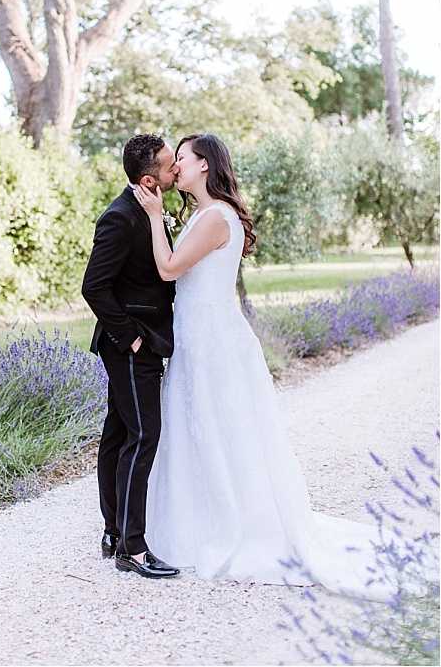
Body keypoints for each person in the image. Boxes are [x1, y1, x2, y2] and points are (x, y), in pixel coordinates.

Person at [132, 132, 424, 602]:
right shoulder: (204, 215)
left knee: (220, 427)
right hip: (198, 338)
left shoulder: (215, 218)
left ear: (205, 165)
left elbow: (168, 269)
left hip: (213, 342)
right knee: (197, 428)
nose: (176, 167)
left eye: (182, 159)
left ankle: (237, 523)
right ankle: (196, 519)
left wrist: (150, 217)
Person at [81, 134, 181, 579]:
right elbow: (93, 287)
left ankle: (112, 531)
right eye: (168, 166)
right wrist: (132, 341)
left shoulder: (149, 211)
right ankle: (133, 548)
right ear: (149, 180)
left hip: (136, 343)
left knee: (120, 434)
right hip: (129, 345)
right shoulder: (120, 218)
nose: (175, 169)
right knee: (143, 437)